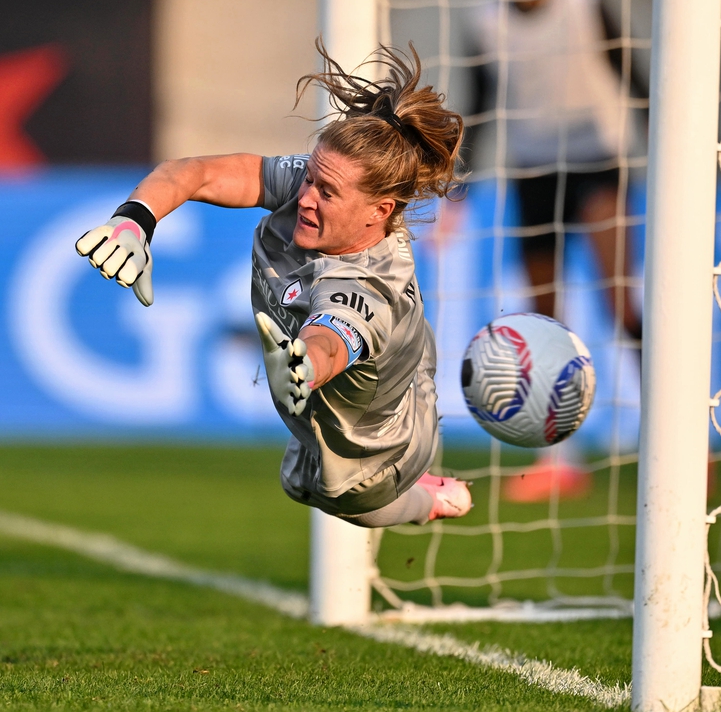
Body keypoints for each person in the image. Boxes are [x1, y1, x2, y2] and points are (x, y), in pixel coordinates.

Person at [75, 44, 472, 528]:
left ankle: (431, 499)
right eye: (309, 178)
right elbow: (195, 172)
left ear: (380, 211)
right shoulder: (313, 184)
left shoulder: (365, 286)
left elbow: (330, 340)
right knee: (295, 477)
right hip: (397, 362)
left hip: (385, 451)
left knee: (339, 496)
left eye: (326, 193)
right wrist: (136, 221)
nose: (305, 198)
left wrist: (305, 365)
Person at [459, 0, 646, 502]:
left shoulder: (585, 8)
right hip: (533, 169)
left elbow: (635, 77)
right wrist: (458, 192)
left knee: (620, 302)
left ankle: (676, 435)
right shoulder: (485, 22)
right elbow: (479, 106)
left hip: (598, 162)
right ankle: (558, 456)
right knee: (542, 318)